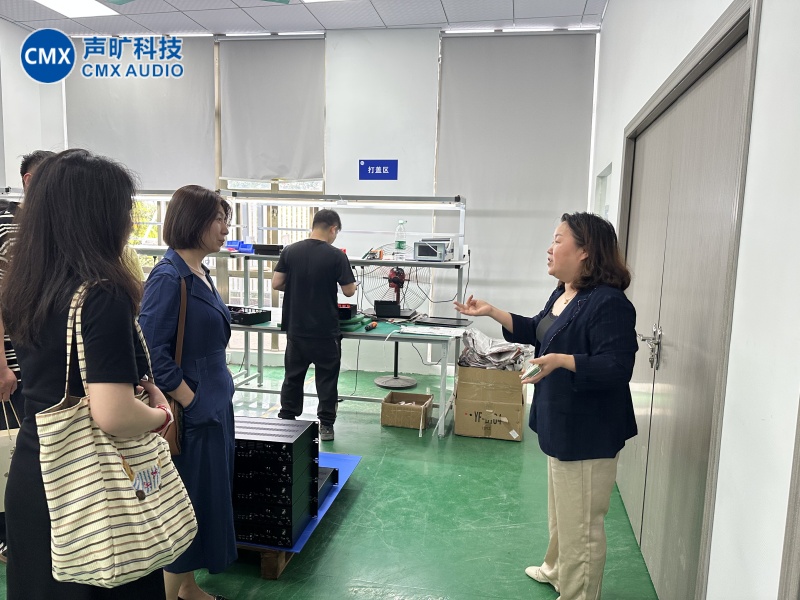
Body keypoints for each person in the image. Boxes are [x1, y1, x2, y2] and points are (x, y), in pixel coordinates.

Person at [0, 149, 171, 599]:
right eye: (123, 210)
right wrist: (160, 415)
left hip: (37, 472)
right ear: (96, 218)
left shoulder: (24, 284)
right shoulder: (101, 296)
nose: (129, 222)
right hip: (94, 486)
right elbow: (112, 413)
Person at [454, 212, 637, 600]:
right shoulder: (565, 293)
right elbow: (537, 328)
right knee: (563, 514)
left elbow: (617, 367)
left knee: (582, 525)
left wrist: (564, 361)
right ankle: (557, 570)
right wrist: (490, 311)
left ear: (585, 250)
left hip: (589, 432)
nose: (549, 248)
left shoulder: (608, 302)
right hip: (561, 422)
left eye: (557, 240)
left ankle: (579, 593)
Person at [138, 185, 235, 600]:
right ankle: (171, 590)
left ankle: (188, 587)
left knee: (204, 499)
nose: (225, 227)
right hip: (192, 411)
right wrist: (190, 400)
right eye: (218, 218)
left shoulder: (200, 273)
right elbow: (151, 350)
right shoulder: (167, 277)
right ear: (193, 222)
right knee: (185, 503)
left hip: (214, 403)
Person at [0, 150, 55, 562]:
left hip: (35, 361)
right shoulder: (10, 229)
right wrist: (2, 366)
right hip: (12, 363)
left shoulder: (45, 227)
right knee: (12, 449)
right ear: (30, 180)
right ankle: (8, 535)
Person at [273, 209, 356, 442]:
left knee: (293, 376)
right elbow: (349, 291)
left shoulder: (290, 251)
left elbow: (276, 283)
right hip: (325, 330)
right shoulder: (336, 256)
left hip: (296, 329)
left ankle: (287, 418)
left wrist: (299, 285)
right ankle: (326, 425)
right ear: (333, 229)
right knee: (327, 379)